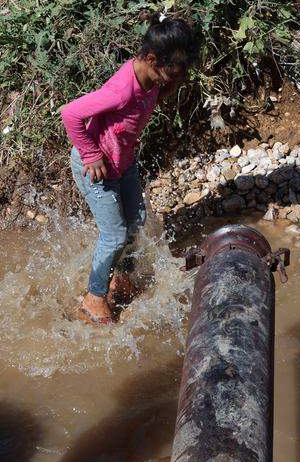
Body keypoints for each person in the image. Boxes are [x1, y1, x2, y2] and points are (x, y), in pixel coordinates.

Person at [61, 17, 199, 325]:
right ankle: (93, 298)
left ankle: (119, 279)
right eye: (172, 73)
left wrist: (168, 84)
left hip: (123, 163)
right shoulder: (122, 90)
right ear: (152, 60)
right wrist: (91, 153)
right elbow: (70, 113)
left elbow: (151, 99)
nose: (174, 80)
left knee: (136, 223)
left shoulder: (151, 78)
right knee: (114, 235)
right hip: (96, 168)